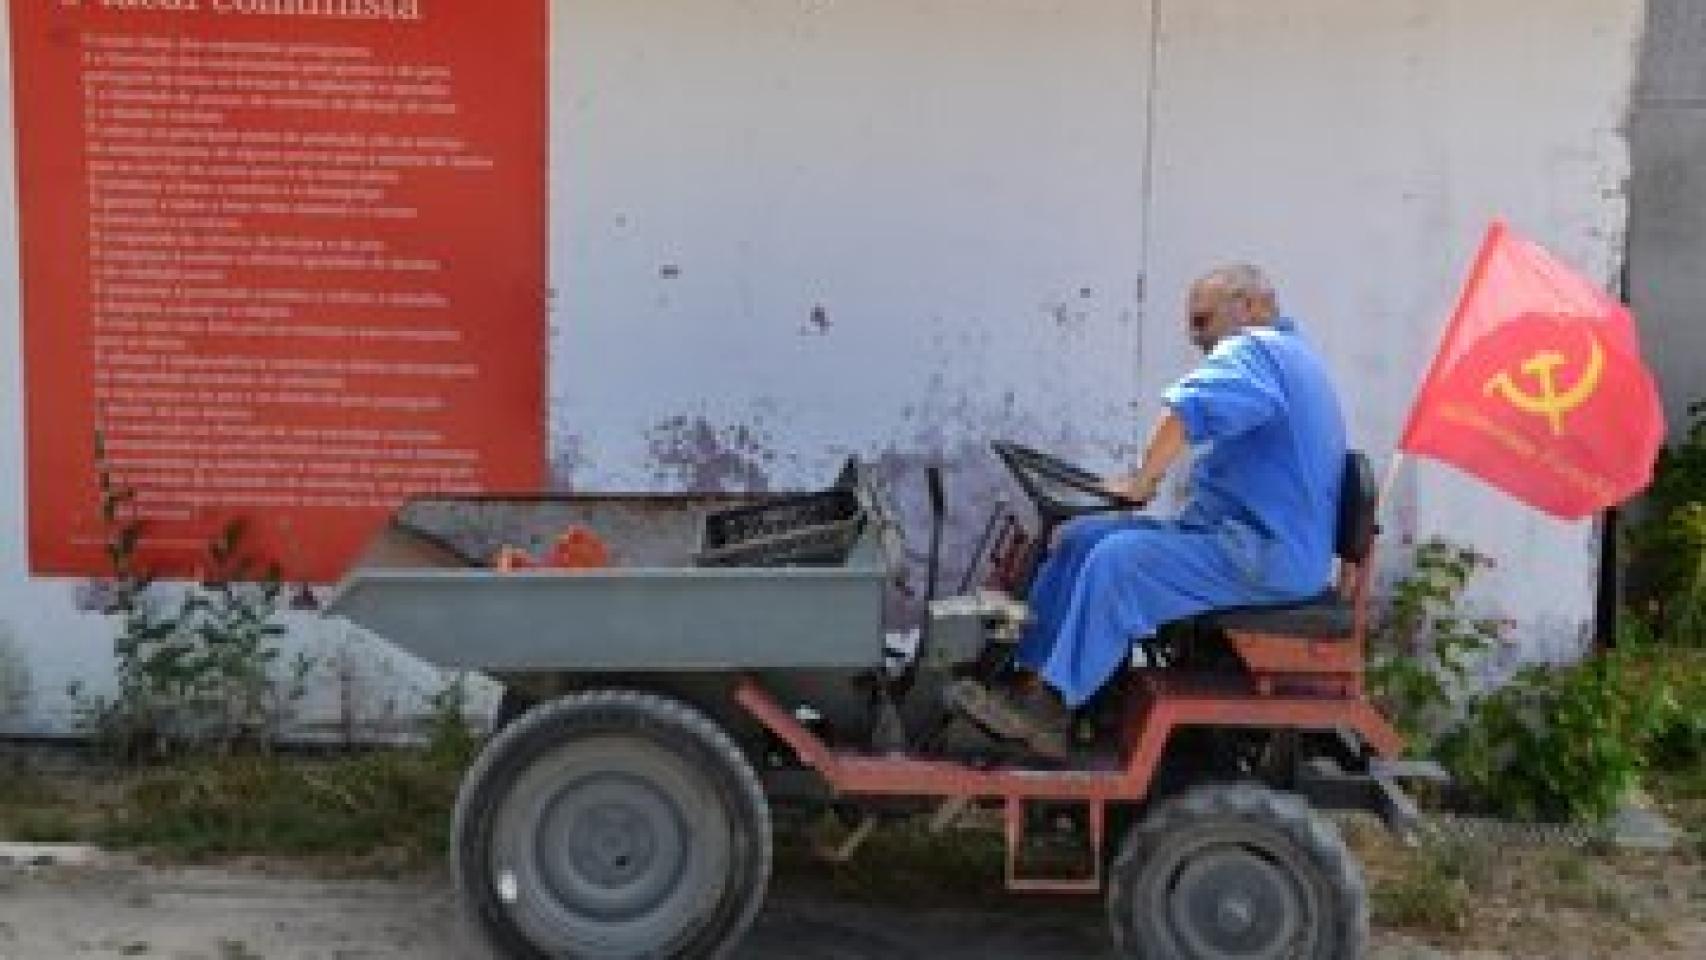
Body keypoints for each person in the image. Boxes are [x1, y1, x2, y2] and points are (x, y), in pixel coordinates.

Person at [949, 264, 1348, 758]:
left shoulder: (1258, 349)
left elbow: (1188, 409)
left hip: (1264, 551)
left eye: (1203, 321)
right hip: (1249, 541)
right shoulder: (1289, 360)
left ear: (1250, 307)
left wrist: (1143, 481)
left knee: (1123, 562)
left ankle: (1049, 712)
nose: (1196, 338)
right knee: (1083, 537)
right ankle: (1027, 682)